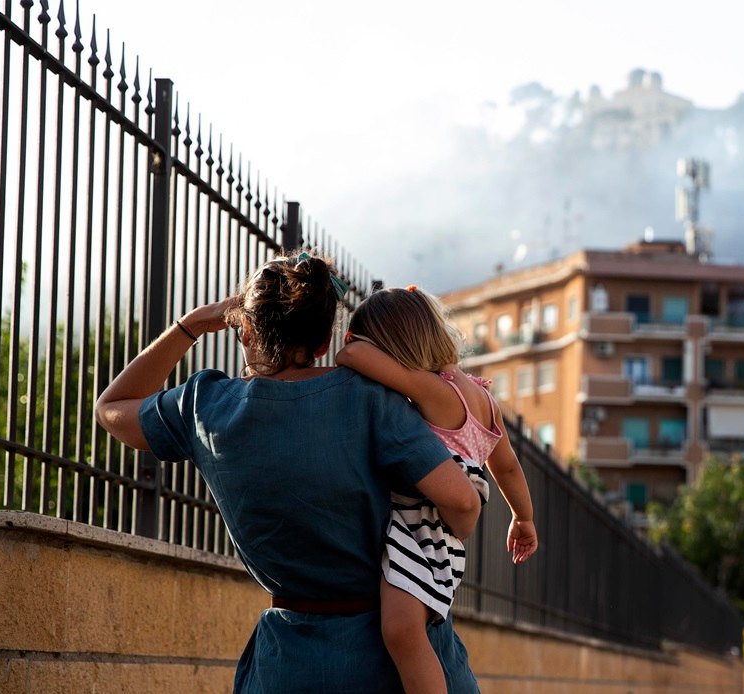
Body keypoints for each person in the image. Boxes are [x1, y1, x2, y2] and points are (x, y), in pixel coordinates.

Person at [94, 251, 481, 693]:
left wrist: (195, 324)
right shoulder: (369, 397)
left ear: (244, 328)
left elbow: (111, 408)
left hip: (292, 665)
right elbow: (462, 500)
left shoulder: (204, 407)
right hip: (401, 658)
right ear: (322, 343)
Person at [336, 285, 538, 693]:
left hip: (422, 524)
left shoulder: (436, 391)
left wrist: (354, 344)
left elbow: (352, 356)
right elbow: (509, 469)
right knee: (409, 628)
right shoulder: (482, 397)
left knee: (401, 630)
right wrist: (524, 517)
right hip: (443, 533)